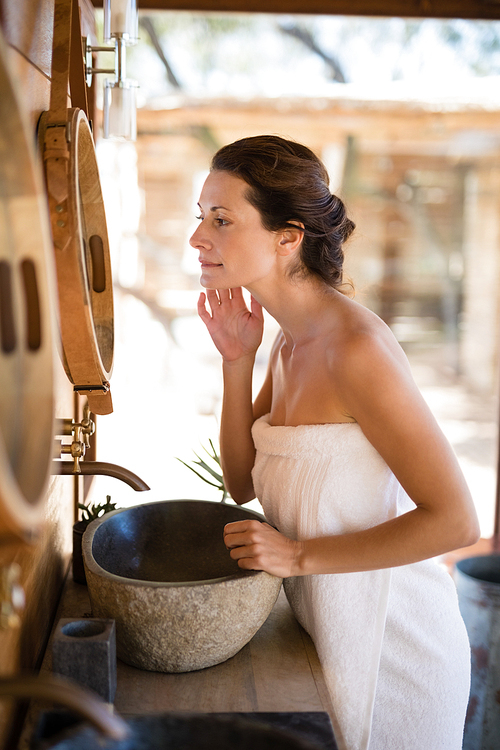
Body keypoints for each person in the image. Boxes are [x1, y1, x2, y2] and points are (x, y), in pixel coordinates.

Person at [189, 135, 480, 750]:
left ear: (287, 235)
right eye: (201, 217)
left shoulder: (356, 350)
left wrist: (295, 557)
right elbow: (242, 482)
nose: (199, 237)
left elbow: (455, 521)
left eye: (222, 219)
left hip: (400, 651)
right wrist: (236, 363)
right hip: (326, 636)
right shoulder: (290, 341)